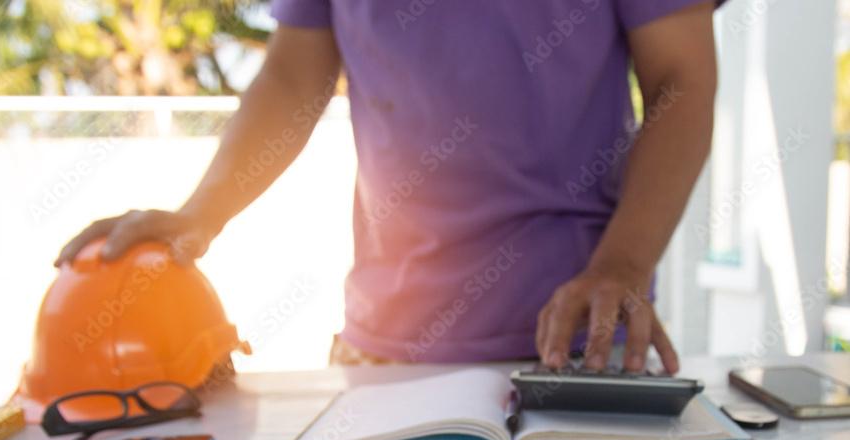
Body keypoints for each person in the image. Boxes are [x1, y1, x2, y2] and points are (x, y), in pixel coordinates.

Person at [56, 0, 720, 374]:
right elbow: (294, 75)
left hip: (581, 352)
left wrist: (623, 264)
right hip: (384, 353)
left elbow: (682, 81)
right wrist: (203, 211)